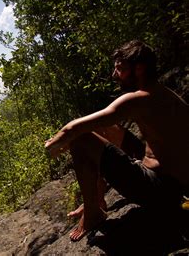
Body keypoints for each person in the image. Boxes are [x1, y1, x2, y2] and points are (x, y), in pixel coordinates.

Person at [44, 40, 189, 241]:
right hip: (172, 181)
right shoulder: (161, 93)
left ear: (139, 69)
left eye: (120, 69)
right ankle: (97, 199)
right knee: (102, 127)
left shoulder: (140, 98)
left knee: (81, 139)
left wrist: (54, 145)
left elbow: (72, 128)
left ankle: (93, 214)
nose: (114, 75)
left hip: (161, 191)